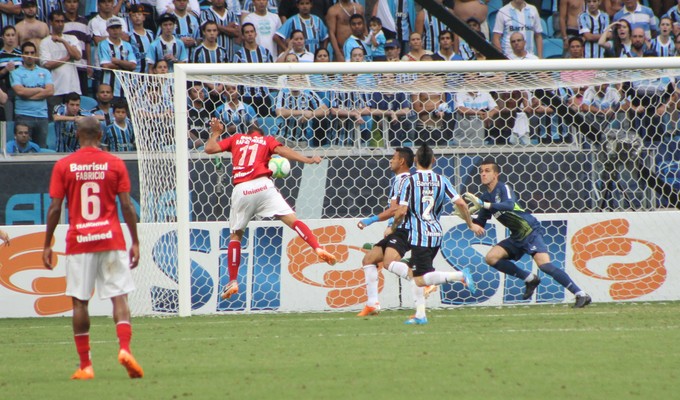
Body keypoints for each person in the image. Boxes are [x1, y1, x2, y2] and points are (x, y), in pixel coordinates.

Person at [42, 116, 144, 380]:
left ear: (77, 135)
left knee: (79, 302)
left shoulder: (64, 165)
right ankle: (125, 349)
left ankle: (86, 365)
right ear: (101, 135)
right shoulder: (114, 163)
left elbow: (55, 208)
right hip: (111, 238)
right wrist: (135, 241)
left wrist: (47, 243)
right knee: (119, 297)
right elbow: (127, 206)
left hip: (79, 242)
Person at [204, 118, 337, 300]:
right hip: (264, 186)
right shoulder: (267, 141)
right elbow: (283, 151)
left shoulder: (236, 138)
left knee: (236, 236)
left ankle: (233, 280)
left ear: (247, 132)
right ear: (261, 133)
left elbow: (209, 149)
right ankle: (317, 247)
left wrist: (216, 133)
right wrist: (308, 159)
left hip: (242, 189)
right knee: (293, 220)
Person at [463, 159, 592, 308]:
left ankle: (581, 294)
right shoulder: (485, 197)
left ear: (496, 174)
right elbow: (480, 224)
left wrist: (484, 205)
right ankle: (529, 278)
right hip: (517, 236)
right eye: (481, 171)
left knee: (545, 265)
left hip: (530, 230)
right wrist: (466, 217)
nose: (483, 174)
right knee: (491, 258)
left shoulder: (502, 188)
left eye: (487, 171)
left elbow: (509, 205)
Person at [390, 144, 482, 325]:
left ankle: (459, 276)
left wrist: (393, 227)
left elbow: (401, 211)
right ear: (434, 160)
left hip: (419, 235)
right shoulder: (442, 180)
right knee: (418, 276)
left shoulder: (409, 181)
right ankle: (420, 315)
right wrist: (470, 224)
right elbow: (462, 204)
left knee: (419, 278)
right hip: (436, 233)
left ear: (415, 160)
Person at [11, 41, 53, 149]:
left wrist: (27, 95)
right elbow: (20, 92)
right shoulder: (15, 73)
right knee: (21, 148)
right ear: (22, 55)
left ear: (36, 54)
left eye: (32, 53)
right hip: (23, 115)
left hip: (42, 116)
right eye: (26, 53)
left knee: (41, 148)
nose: (29, 56)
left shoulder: (45, 72)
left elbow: (50, 91)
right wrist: (39, 89)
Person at [40, 10, 83, 117]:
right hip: (55, 89)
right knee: (55, 120)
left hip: (72, 87)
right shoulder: (45, 42)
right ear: (51, 22)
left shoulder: (72, 39)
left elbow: (77, 56)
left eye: (62, 21)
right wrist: (67, 58)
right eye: (57, 21)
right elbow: (47, 64)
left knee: (74, 120)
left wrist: (63, 41)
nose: (60, 24)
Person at [99, 17, 137, 101]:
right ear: (107, 30)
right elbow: (106, 66)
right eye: (112, 28)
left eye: (117, 28)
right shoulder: (103, 44)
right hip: (109, 88)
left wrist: (118, 61)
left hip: (125, 88)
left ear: (121, 29)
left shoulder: (127, 45)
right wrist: (125, 64)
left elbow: (133, 65)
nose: (115, 30)